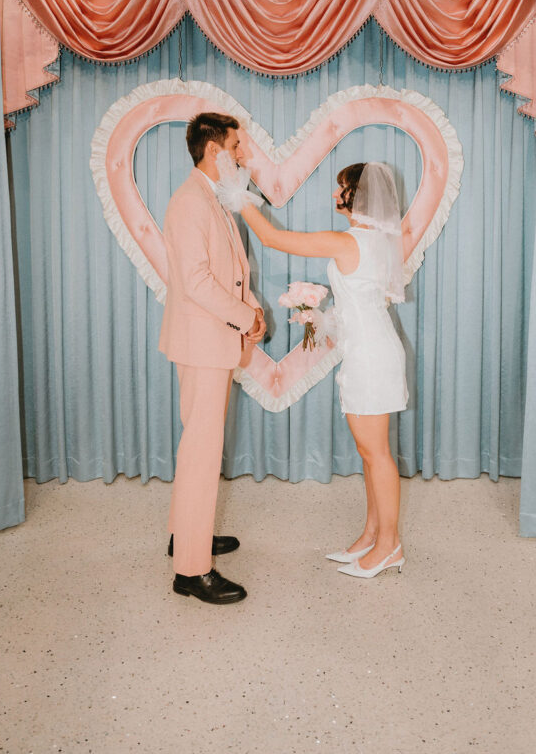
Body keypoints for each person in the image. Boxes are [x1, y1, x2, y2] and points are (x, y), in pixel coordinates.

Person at [218, 158, 408, 579]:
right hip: (370, 349)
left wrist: (237, 194)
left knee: (377, 455)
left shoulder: (347, 241)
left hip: (371, 356)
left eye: (340, 187)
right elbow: (362, 302)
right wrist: (324, 320)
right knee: (370, 453)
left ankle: (390, 546)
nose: (334, 194)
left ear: (353, 197)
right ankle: (372, 534)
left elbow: (270, 237)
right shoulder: (375, 240)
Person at [158, 112, 266, 605]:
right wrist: (245, 317)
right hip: (203, 344)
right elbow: (198, 281)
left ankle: (188, 534)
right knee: (202, 451)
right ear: (214, 151)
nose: (243, 154)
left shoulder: (210, 197)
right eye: (237, 146)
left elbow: (231, 272)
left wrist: (251, 310)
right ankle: (191, 570)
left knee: (199, 447)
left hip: (211, 341)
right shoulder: (189, 202)